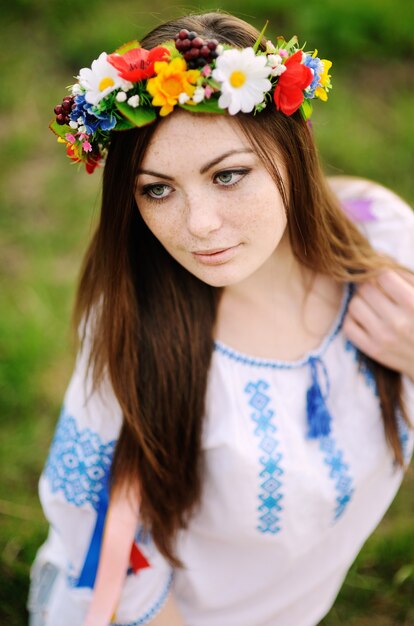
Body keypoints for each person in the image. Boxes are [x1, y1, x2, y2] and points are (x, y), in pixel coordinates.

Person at [28, 11, 414, 626]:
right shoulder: (134, 331)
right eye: (157, 189)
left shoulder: (386, 237)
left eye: (228, 175)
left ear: (292, 152)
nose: (198, 225)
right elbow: (98, 536)